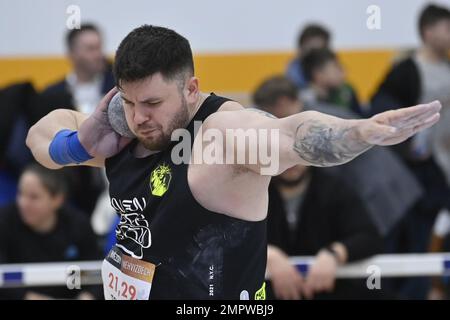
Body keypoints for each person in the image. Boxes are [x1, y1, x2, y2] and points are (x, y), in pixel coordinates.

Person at [26, 25, 441, 300]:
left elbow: (290, 135)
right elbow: (39, 137)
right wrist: (78, 144)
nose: (139, 117)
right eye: (128, 101)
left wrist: (359, 132)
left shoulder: (221, 137)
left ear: (191, 89)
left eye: (152, 103)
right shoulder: (120, 132)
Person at [252, 78, 382, 299]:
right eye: (283, 152)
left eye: (298, 151)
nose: (291, 162)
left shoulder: (334, 188)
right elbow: (226, 235)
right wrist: (267, 254)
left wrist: (334, 254)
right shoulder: (253, 191)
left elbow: (368, 235)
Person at [370, 3, 450, 299]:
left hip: (444, 170)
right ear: (428, 32)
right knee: (414, 244)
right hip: (419, 179)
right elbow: (379, 117)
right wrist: (410, 151)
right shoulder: (405, 72)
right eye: (447, 28)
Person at [0, 163, 102, 300]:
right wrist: (28, 297)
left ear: (57, 199)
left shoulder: (78, 224)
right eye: (20, 193)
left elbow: (96, 272)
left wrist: (88, 296)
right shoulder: (4, 220)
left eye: (34, 197)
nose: (23, 203)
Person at [300, 48, 364, 116]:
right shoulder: (302, 102)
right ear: (318, 73)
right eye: (336, 67)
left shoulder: (346, 92)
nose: (343, 73)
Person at [286, 24, 331, 89]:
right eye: (313, 50)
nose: (315, 56)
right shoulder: (294, 73)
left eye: (321, 51)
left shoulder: (331, 68)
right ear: (301, 48)